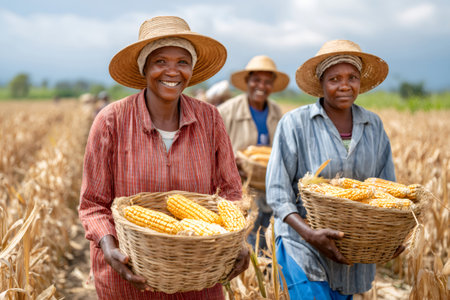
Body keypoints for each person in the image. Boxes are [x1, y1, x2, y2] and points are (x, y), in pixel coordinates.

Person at [78, 16, 249, 300]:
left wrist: (235, 240)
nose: (172, 71)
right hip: (130, 276)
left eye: (182, 62)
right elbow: (93, 204)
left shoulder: (210, 119)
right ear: (144, 67)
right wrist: (109, 249)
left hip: (198, 275)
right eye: (160, 62)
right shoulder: (111, 121)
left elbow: (231, 192)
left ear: (191, 69)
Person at [266, 39, 404, 299]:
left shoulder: (373, 126)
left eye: (352, 77)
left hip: (351, 253)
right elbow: (277, 193)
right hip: (302, 244)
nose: (344, 86)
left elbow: (388, 190)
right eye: (334, 79)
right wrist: (310, 233)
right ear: (320, 84)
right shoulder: (294, 124)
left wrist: (390, 237)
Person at [218, 55, 289, 250]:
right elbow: (211, 149)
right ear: (247, 82)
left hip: (269, 189)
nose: (261, 86)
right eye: (256, 80)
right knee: (244, 246)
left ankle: (265, 279)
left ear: (272, 85)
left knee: (266, 244)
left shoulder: (276, 111)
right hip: (240, 191)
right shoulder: (227, 111)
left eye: (267, 82)